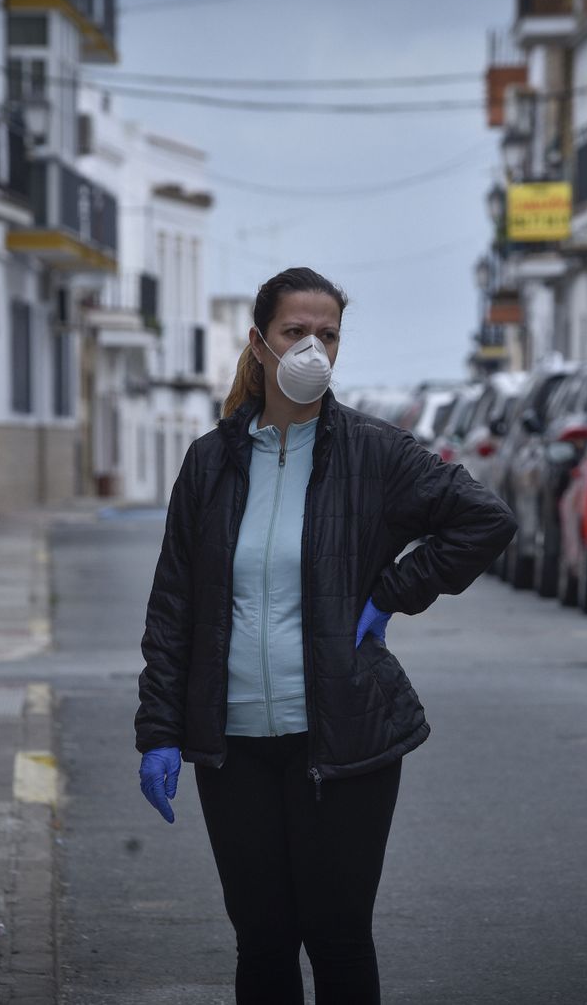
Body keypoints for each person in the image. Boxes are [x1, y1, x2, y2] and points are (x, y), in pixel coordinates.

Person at [133, 266, 516, 1003]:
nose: (312, 348)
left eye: (327, 334)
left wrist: (391, 595)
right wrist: (159, 729)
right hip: (233, 742)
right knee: (263, 941)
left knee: (338, 938)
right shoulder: (211, 463)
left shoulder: (376, 453)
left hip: (343, 740)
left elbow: (484, 520)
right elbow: (172, 606)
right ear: (259, 341)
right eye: (294, 332)